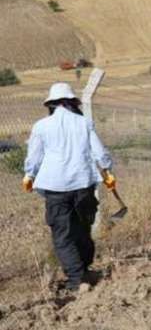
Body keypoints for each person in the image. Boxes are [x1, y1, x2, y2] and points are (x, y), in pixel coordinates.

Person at [22, 82, 115, 292]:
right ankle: (85, 271)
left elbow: (34, 157)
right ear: (73, 102)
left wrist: (29, 175)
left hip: (55, 188)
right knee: (83, 230)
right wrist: (108, 172)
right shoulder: (84, 123)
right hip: (83, 185)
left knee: (63, 235)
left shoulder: (41, 126)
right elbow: (100, 152)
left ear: (52, 105)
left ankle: (77, 280)